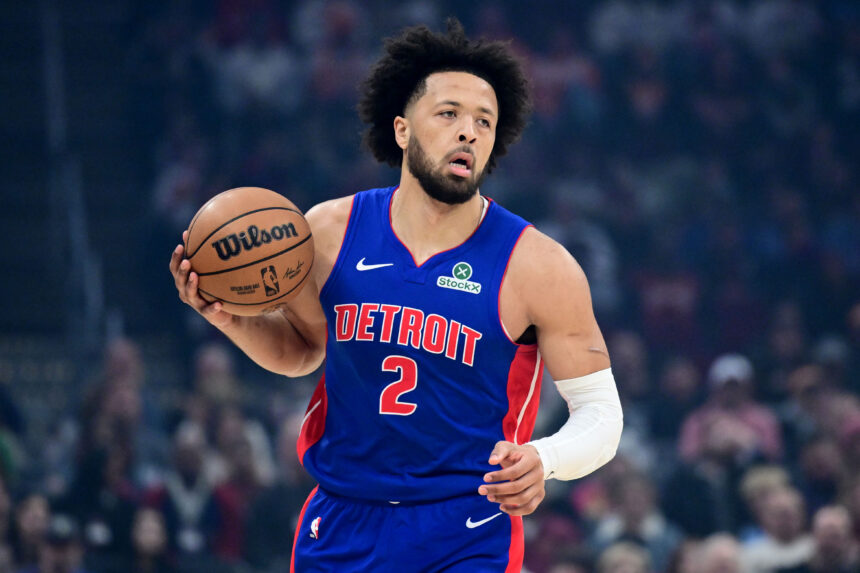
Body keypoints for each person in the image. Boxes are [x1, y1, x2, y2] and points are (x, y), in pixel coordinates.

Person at [170, 18, 623, 571]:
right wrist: (228, 316)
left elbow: (601, 415)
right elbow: (302, 351)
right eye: (449, 113)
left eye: (485, 120)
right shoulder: (329, 230)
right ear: (403, 129)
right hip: (341, 515)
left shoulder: (539, 266)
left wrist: (543, 457)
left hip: (465, 524)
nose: (469, 131)